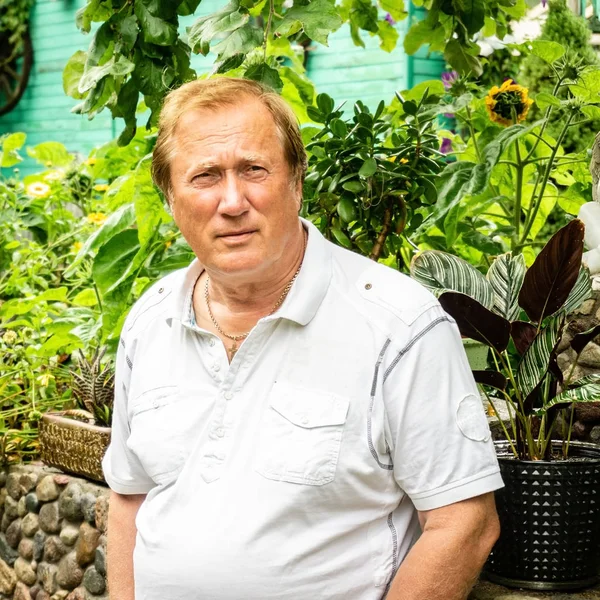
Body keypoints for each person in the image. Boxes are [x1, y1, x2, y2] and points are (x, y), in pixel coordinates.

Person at [102, 77, 503, 600]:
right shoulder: (150, 320)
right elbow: (130, 498)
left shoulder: (397, 325)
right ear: (172, 199)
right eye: (204, 176)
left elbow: (464, 523)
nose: (232, 201)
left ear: (296, 181)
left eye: (253, 170)